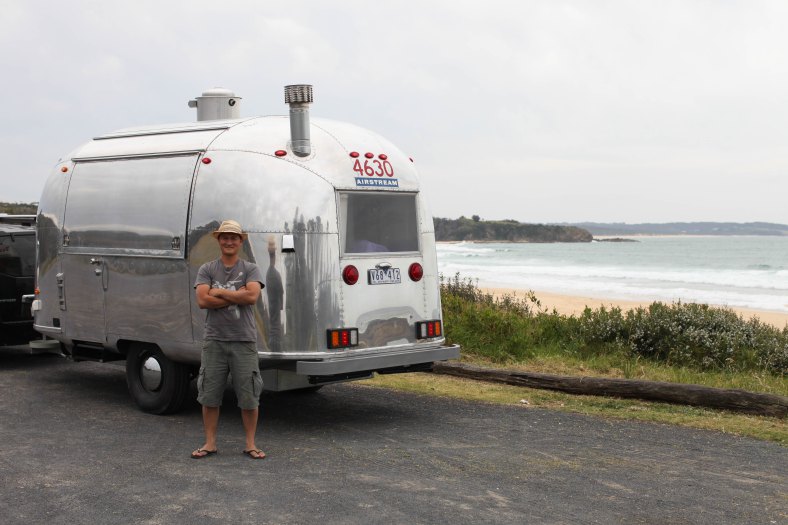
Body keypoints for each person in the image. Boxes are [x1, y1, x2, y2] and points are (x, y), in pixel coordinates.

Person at [191, 220, 266, 460]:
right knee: (209, 394)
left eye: (234, 237)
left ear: (241, 241)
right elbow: (202, 301)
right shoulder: (207, 269)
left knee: (248, 395)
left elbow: (252, 296)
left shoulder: (251, 268)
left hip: (244, 340)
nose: (229, 241)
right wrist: (237, 295)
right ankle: (210, 443)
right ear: (218, 240)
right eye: (225, 237)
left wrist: (220, 292)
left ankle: (251, 444)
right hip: (214, 340)